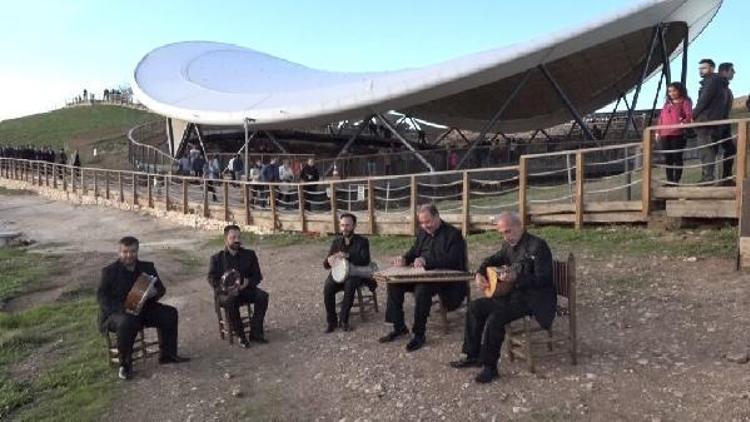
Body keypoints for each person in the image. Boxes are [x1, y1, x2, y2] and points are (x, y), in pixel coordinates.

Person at [449, 212, 556, 383]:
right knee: (475, 307)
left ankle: (490, 367)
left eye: (508, 231)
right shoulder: (508, 245)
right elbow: (491, 260)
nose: (506, 236)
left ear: (520, 226)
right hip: (512, 295)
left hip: (534, 299)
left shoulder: (538, 246)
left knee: (496, 317)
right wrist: (479, 274)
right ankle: (472, 354)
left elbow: (545, 279)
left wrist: (517, 278)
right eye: (502, 233)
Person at [97, 236, 189, 380]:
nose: (129, 255)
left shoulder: (147, 267)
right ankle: (125, 366)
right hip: (117, 314)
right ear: (119, 252)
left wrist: (153, 294)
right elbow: (102, 299)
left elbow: (161, 289)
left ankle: (168, 355)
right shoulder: (109, 272)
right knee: (127, 322)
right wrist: (124, 309)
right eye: (125, 252)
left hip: (143, 309)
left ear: (137, 251)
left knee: (170, 313)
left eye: (132, 251)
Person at [379, 204, 467, 352]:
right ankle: (399, 327)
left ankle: (419, 334)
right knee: (394, 283)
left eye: (428, 222)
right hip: (422, 275)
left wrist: (427, 261)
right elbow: (415, 251)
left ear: (437, 216)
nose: (425, 226)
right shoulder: (422, 232)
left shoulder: (453, 234)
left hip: (446, 279)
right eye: (422, 222)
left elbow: (453, 260)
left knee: (422, 290)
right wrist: (404, 259)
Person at [208, 225, 269, 348]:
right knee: (231, 301)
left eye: (239, 237)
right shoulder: (216, 258)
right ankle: (241, 336)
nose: (237, 240)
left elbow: (258, 276)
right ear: (226, 239)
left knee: (262, 296)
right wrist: (225, 289)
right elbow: (212, 279)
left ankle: (256, 333)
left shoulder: (250, 255)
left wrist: (248, 283)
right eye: (233, 237)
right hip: (226, 294)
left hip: (245, 290)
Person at [322, 213, 376, 332]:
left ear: (354, 226)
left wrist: (347, 255)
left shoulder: (362, 241)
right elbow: (326, 265)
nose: (344, 228)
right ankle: (332, 322)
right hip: (339, 275)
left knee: (350, 284)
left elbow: (365, 260)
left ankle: (344, 320)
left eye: (347, 225)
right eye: (342, 225)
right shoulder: (336, 242)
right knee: (328, 287)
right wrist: (329, 260)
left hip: (356, 273)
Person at [692, 59, 729, 183]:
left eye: (704, 68)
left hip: (707, 122)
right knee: (709, 151)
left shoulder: (712, 81)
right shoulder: (718, 82)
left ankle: (707, 178)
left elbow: (703, 100)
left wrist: (692, 116)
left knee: (706, 151)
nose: (701, 71)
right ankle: (708, 177)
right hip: (712, 122)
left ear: (712, 68)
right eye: (700, 68)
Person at [656, 82, 693, 185]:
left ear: (680, 90)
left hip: (678, 134)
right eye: (669, 91)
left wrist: (682, 123)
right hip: (664, 134)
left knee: (677, 157)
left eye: (674, 90)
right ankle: (669, 180)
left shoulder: (685, 101)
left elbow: (689, 115)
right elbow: (661, 118)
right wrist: (658, 132)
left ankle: (676, 180)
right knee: (668, 158)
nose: (671, 93)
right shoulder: (667, 104)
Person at [717, 62, 736, 185]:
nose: (734, 72)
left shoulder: (726, 88)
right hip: (716, 124)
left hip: (724, 124)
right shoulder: (716, 86)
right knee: (711, 152)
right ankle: (712, 179)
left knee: (731, 149)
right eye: (732, 70)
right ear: (724, 71)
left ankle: (726, 177)